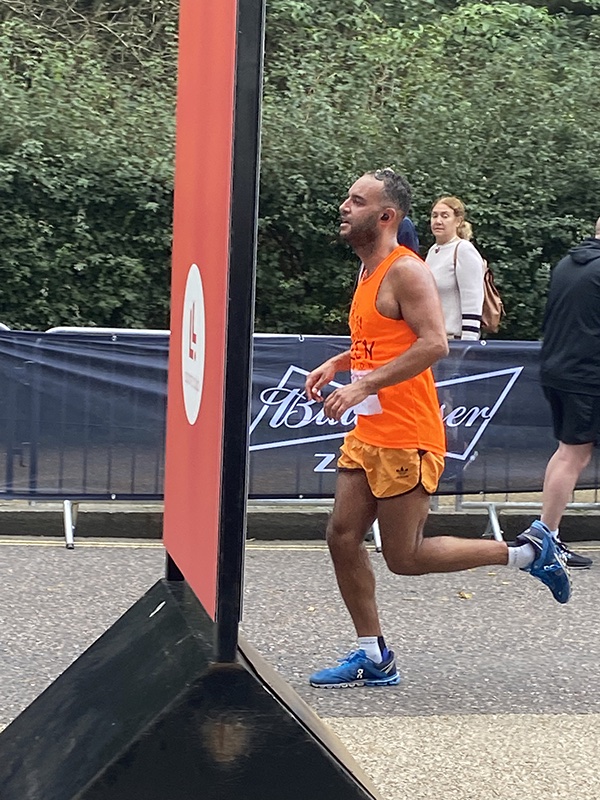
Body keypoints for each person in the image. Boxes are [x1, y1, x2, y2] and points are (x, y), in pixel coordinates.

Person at [304, 168, 571, 689]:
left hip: (408, 435)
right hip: (369, 432)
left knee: (405, 557)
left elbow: (433, 344)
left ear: (386, 216)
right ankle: (374, 655)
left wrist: (363, 386)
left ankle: (528, 552)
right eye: (347, 198)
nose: (344, 207)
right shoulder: (367, 271)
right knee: (341, 536)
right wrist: (339, 363)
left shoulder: (406, 271)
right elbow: (381, 342)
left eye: (357, 201)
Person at [516, 219, 600, 570]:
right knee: (573, 456)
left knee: (567, 453)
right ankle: (545, 537)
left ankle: (546, 534)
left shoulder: (568, 263)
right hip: (586, 375)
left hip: (558, 370)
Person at [426, 196, 484, 341]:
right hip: (433, 340)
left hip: (455, 340)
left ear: (458, 221)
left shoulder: (463, 250)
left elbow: (473, 299)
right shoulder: (433, 251)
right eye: (434, 216)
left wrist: (468, 343)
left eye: (445, 216)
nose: (438, 221)